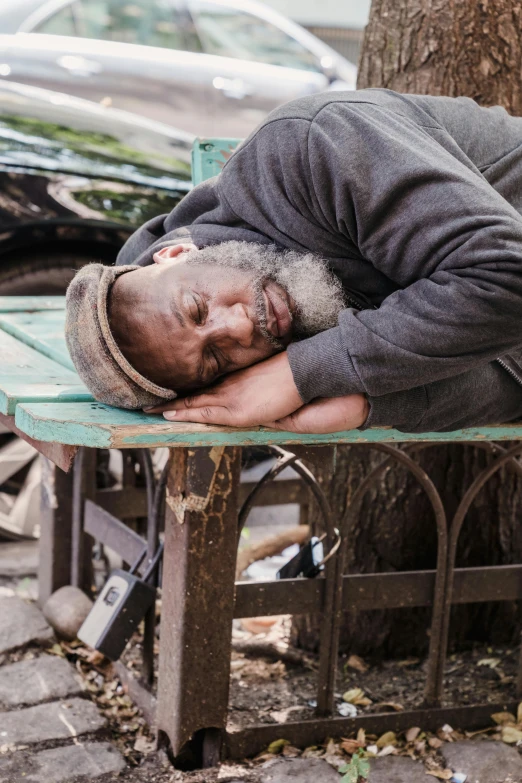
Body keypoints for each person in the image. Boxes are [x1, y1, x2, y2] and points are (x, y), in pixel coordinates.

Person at [65, 88, 522, 434]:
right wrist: (366, 405)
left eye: (198, 308)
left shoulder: (308, 148)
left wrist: (300, 373)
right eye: (216, 359)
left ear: (177, 253)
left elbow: (509, 279)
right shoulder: (285, 307)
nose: (238, 330)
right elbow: (508, 368)